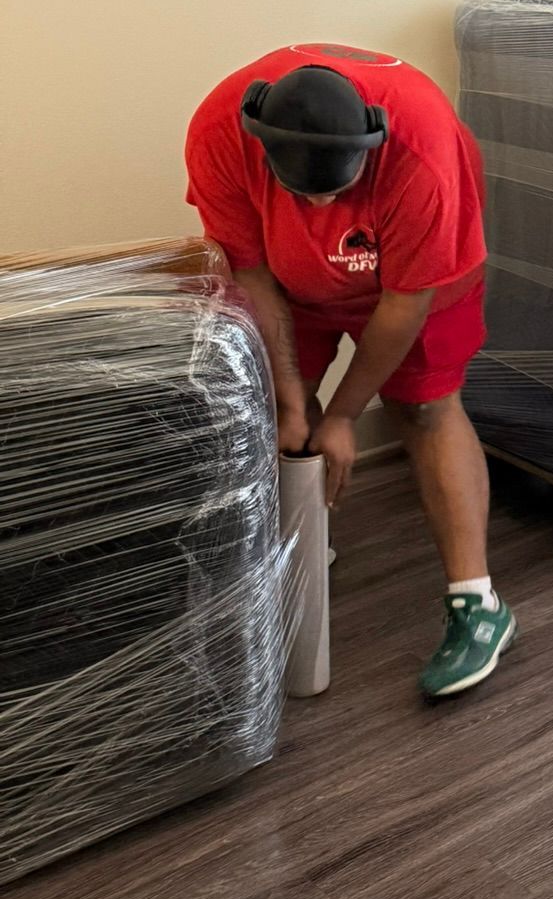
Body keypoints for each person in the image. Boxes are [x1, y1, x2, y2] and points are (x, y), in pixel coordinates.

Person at [185, 44, 514, 699]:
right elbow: (251, 271)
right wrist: (294, 400)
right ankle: (301, 551)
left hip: (412, 282)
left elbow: (404, 304)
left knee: (424, 406)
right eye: (301, 193)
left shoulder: (421, 152)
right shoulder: (219, 131)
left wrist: (342, 416)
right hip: (286, 279)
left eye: (334, 192)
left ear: (370, 144)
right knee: (273, 411)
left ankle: (480, 606)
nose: (318, 209)